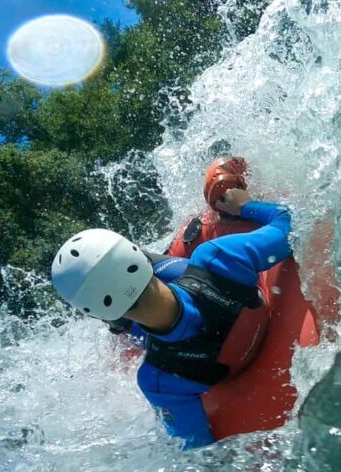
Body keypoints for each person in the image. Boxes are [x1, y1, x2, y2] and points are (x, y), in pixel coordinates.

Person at [51, 159, 294, 448]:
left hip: (169, 345)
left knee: (127, 327)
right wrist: (243, 207)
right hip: (214, 292)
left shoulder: (157, 381)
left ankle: (116, 321)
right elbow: (288, 222)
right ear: (134, 256)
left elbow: (197, 450)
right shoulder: (219, 258)